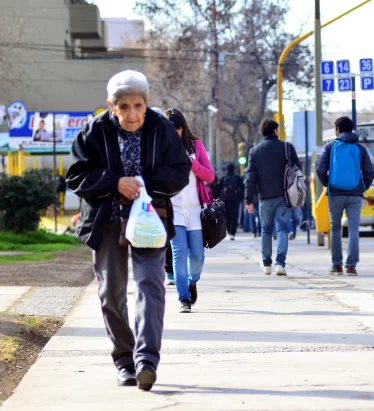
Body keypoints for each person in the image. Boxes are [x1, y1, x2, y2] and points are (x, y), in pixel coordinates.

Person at [66, 70, 191, 390]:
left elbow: (180, 172)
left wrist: (144, 184)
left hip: (150, 220)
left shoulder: (162, 129)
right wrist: (114, 182)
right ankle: (124, 359)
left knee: (151, 287)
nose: (132, 114)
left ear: (147, 102)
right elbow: (76, 176)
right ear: (111, 105)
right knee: (111, 293)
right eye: (124, 107)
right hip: (107, 221)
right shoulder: (92, 132)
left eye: (138, 105)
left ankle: (147, 359)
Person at [164, 108, 214, 313]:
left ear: (183, 127)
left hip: (194, 211)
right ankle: (183, 298)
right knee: (178, 253)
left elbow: (210, 176)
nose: (175, 133)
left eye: (178, 129)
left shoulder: (196, 146)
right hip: (173, 210)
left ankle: (193, 282)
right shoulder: (161, 149)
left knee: (197, 257)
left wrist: (192, 163)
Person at [316, 116, 374, 276]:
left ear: (337, 130)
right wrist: (361, 187)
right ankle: (351, 266)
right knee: (354, 229)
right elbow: (370, 172)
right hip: (355, 194)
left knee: (335, 228)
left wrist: (328, 184)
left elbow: (320, 169)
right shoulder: (360, 149)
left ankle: (337, 265)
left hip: (335, 194)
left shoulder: (330, 147)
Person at [244, 119, 301, 276]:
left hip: (264, 198)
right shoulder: (287, 148)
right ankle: (280, 264)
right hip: (284, 197)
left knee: (266, 230)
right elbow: (298, 170)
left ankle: (267, 263)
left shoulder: (254, 151)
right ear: (275, 131)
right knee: (282, 229)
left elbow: (250, 178)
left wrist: (248, 200)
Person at [217, 163, 244, 240]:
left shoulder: (223, 178)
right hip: (235, 200)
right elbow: (242, 188)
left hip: (225, 200)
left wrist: (218, 198)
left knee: (227, 215)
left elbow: (218, 189)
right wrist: (241, 198)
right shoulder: (238, 178)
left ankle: (228, 230)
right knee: (234, 216)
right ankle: (233, 232)